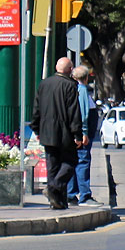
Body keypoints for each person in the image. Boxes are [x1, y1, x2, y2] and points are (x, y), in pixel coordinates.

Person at [29, 58, 83, 210]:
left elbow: (36, 108)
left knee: (52, 165)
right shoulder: (70, 86)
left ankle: (57, 201)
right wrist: (77, 134)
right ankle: (53, 188)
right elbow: (73, 112)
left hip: (46, 131)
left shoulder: (44, 84)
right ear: (70, 69)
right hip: (64, 132)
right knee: (70, 162)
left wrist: (36, 128)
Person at [66, 66, 100, 206]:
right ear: (86, 78)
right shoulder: (82, 91)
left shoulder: (73, 90)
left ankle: (71, 194)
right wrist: (84, 133)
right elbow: (83, 114)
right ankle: (84, 195)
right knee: (83, 162)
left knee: (75, 162)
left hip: (76, 134)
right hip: (82, 135)